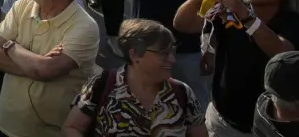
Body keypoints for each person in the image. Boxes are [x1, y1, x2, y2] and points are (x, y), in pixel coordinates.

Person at [173, 0, 299, 137]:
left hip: (268, 129)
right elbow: (183, 24)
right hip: (221, 123)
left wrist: (247, 18)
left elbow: (281, 53)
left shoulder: (295, 24)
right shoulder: (229, 13)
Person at [0, 0, 100, 137]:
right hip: (5, 123)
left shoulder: (85, 27)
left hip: (48, 131)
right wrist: (36, 65)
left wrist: (12, 47)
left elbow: (46, 70)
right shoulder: (22, 5)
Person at [62, 19, 207, 137]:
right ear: (135, 55)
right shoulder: (101, 85)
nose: (172, 60)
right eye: (163, 53)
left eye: (172, 52)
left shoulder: (182, 93)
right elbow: (72, 128)